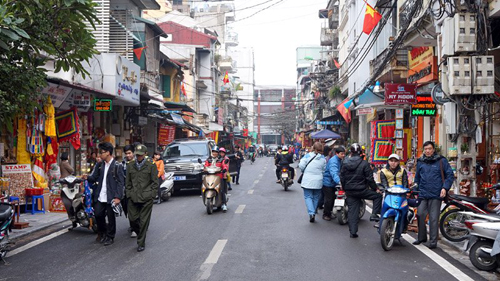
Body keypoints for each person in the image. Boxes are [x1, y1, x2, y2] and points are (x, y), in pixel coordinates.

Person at [413, 141, 454, 249]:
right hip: (423, 193)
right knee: (420, 214)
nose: (427, 151)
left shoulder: (441, 161)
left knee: (434, 218)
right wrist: (415, 188)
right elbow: (417, 177)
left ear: (433, 149)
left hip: (436, 194)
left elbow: (450, 175)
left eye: (429, 149)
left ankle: (433, 241)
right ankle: (421, 237)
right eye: (425, 149)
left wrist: (445, 188)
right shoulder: (420, 162)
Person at [84, 142, 124, 246]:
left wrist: (118, 197)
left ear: (108, 153)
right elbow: (94, 177)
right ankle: (102, 232)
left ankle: (110, 237)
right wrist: (86, 177)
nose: (100, 155)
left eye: (102, 152)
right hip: (100, 195)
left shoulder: (117, 166)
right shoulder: (100, 165)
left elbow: (120, 182)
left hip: (111, 196)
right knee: (98, 214)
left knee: (111, 218)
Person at [340, 143, 382, 238]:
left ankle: (353, 232)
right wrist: (376, 189)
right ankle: (374, 214)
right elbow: (370, 179)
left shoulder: (345, 163)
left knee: (352, 211)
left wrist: (344, 187)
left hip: (350, 191)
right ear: (361, 153)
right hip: (362, 190)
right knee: (378, 196)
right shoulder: (364, 164)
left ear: (351, 152)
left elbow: (342, 177)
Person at [126, 144, 159, 252]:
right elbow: (128, 182)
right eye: (137, 155)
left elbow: (155, 182)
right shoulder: (130, 165)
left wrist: (151, 195)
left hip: (146, 197)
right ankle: (139, 232)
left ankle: (141, 242)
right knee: (133, 219)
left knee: (144, 221)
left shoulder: (151, 165)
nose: (138, 157)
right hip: (133, 196)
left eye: (140, 155)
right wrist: (129, 193)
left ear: (145, 154)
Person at [378, 154, 409, 228]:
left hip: (401, 194)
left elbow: (405, 183)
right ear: (388, 161)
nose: (393, 163)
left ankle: (404, 226)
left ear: (398, 162)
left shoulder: (403, 171)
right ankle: (381, 223)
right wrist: (384, 189)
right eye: (391, 161)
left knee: (405, 211)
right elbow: (384, 183)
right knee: (384, 208)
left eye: (395, 161)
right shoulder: (383, 171)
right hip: (389, 194)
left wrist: (406, 190)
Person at [299, 142, 326, 223]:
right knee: (316, 197)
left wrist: (304, 170)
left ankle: (311, 213)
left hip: (307, 180)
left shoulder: (307, 156)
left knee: (308, 196)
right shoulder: (323, 159)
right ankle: (313, 211)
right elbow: (324, 170)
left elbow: (301, 165)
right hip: (318, 180)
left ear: (313, 148)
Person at [322, 146, 346, 221]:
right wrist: (339, 182)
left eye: (344, 154)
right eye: (342, 154)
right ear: (337, 153)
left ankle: (329, 212)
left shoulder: (340, 160)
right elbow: (334, 173)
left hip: (333, 183)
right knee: (329, 199)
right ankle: (326, 214)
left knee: (332, 198)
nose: (343, 155)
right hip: (328, 182)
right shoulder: (333, 161)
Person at [205, 146, 229, 212]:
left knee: (222, 190)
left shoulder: (221, 159)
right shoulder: (208, 159)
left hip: (219, 177)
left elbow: (224, 165)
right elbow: (205, 166)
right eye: (213, 152)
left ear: (218, 153)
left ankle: (224, 204)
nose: (214, 153)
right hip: (210, 176)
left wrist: (224, 169)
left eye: (216, 152)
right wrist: (204, 169)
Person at [122, 144, 137, 238]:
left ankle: (135, 228)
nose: (128, 155)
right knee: (127, 210)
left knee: (135, 210)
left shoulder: (138, 163)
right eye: (126, 153)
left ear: (133, 153)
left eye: (129, 153)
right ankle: (133, 225)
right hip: (125, 192)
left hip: (136, 191)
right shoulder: (122, 164)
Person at [59, 152, 76, 227]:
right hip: (67, 182)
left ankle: (73, 219)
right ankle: (73, 216)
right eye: (68, 155)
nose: (69, 156)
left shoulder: (61, 163)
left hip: (64, 181)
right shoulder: (65, 163)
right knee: (70, 198)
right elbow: (72, 170)